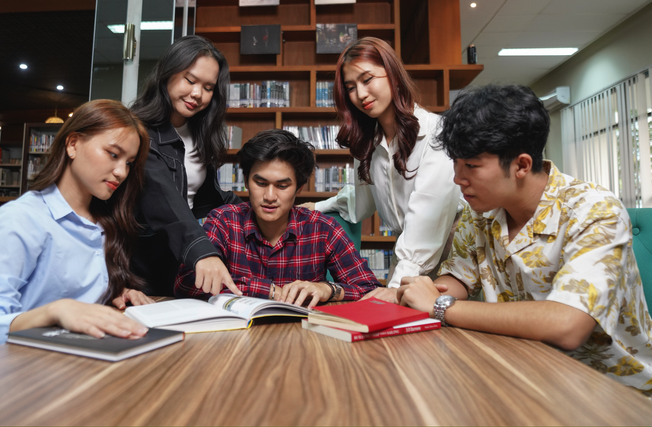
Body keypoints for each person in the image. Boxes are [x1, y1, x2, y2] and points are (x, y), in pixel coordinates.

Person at [398, 84, 652, 395]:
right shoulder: (480, 212)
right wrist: (411, 294)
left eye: (472, 166)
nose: (457, 179)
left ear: (521, 165)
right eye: (455, 163)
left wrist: (440, 306)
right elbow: (458, 280)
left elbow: (566, 325)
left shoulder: (594, 210)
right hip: (522, 374)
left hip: (612, 391)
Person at [0, 100, 153, 352]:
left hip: (83, 360)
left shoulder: (105, 223)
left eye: (128, 162)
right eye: (113, 154)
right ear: (73, 144)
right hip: (23, 369)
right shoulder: (21, 219)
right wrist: (56, 311)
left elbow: (80, 295)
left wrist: (116, 292)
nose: (121, 172)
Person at [304, 37, 462, 303]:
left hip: (454, 260)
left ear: (393, 74)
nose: (360, 95)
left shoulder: (437, 133)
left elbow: (427, 215)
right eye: (351, 87)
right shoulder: (367, 144)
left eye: (367, 80)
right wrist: (318, 207)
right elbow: (362, 202)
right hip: (409, 256)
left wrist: (395, 287)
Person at [174, 129, 380, 307]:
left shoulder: (323, 229)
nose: (270, 197)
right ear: (246, 181)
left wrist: (328, 289)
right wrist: (269, 291)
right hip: (235, 340)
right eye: (261, 183)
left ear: (298, 188)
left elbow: (370, 290)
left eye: (282, 186)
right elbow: (185, 283)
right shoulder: (224, 221)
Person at [130, 35, 242, 297]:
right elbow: (161, 194)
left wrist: (260, 208)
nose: (197, 94)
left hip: (178, 263)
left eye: (208, 87)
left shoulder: (199, 134)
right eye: (190, 80)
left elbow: (205, 198)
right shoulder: (137, 131)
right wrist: (201, 250)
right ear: (167, 74)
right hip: (140, 265)